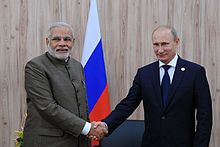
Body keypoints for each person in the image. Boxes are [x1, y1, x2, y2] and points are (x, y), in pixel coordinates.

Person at [95, 25, 213, 147]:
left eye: (165, 44)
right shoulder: (144, 74)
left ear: (176, 42)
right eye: (156, 44)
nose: (160, 50)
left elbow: (205, 116)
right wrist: (105, 124)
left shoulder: (195, 72)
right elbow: (128, 104)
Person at [23, 22, 107, 147]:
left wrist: (89, 129)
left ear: (73, 42)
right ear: (47, 41)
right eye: (56, 39)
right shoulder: (35, 66)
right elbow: (48, 107)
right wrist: (88, 128)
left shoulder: (77, 66)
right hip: (48, 142)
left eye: (67, 39)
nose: (62, 43)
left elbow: (81, 105)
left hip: (79, 140)